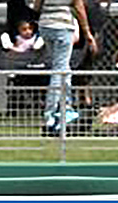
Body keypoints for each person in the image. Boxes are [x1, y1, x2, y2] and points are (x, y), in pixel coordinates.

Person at [34, 0, 97, 134]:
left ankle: (65, 107)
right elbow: (79, 7)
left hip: (45, 26)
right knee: (61, 70)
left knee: (61, 68)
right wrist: (87, 33)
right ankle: (52, 115)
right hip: (63, 26)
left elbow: (37, 6)